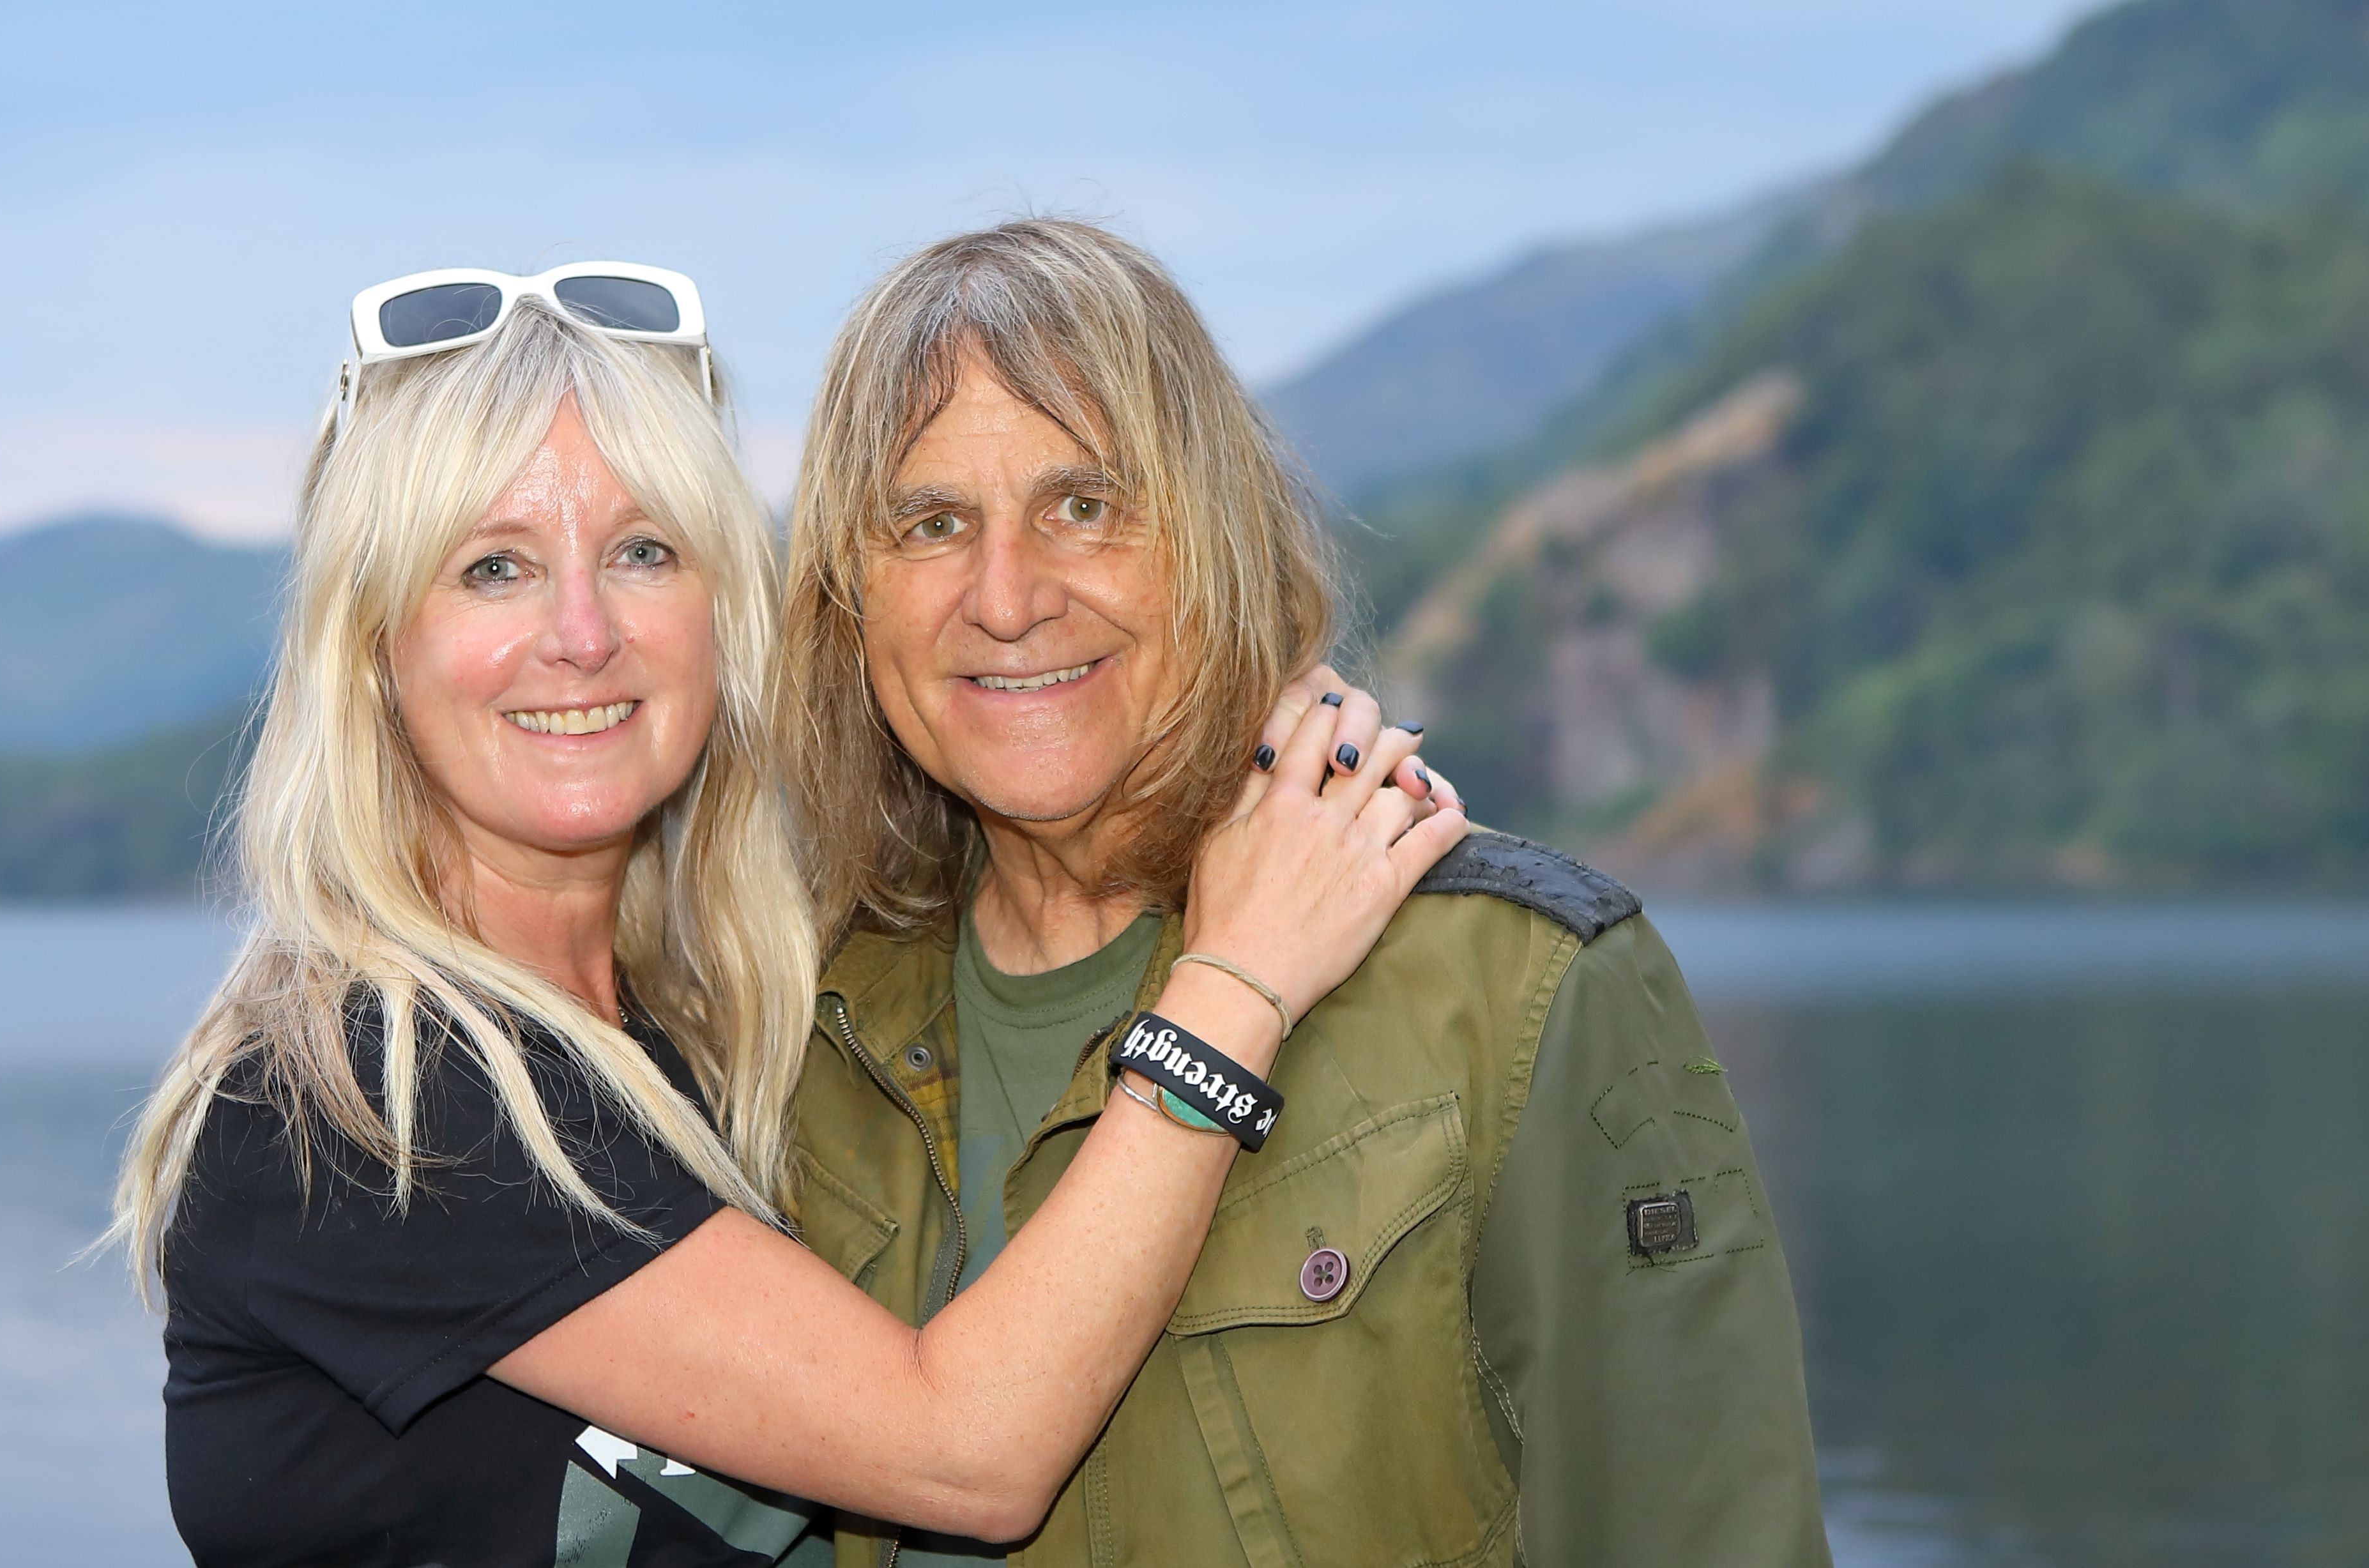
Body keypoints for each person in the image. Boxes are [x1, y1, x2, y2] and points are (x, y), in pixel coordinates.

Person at [103, 262, 1474, 1567]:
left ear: (725, 611)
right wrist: (1240, 979)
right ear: (372, 648)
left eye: (644, 550)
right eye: (494, 568)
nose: (583, 632)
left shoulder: (708, 1020)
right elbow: (968, 1450)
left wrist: (1243, 728)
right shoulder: (368, 1107)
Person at [775, 219, 1832, 1567]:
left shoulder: (1518, 988)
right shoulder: (806, 1034)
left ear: (1213, 538)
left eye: (1083, 505)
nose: (1006, 596)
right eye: (932, 524)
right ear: (849, 601)